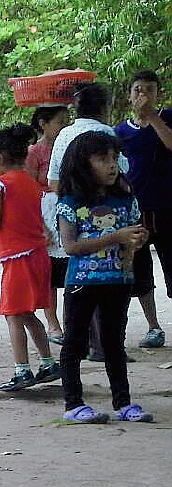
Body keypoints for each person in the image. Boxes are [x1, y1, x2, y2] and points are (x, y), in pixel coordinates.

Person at [48, 82, 162, 353]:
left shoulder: (65, 134)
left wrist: (74, 201)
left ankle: (87, 341)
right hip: (112, 220)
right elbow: (122, 176)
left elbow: (53, 181)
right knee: (127, 277)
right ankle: (135, 331)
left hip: (74, 219)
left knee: (80, 286)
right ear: (104, 107)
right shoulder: (106, 133)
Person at [55, 131, 154, 423]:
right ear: (83, 165)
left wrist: (137, 238)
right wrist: (117, 236)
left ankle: (123, 403)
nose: (111, 165)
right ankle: (73, 403)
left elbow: (136, 233)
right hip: (83, 282)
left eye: (114, 158)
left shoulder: (124, 199)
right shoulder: (71, 203)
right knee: (75, 343)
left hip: (119, 280)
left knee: (114, 344)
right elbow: (71, 246)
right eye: (102, 159)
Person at [0, 124, 59, 392]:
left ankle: (22, 369)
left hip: (17, 258)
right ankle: (49, 362)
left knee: (13, 315)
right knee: (28, 314)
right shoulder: (30, 182)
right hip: (37, 254)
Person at [116, 70, 172, 349]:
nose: (143, 95)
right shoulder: (121, 131)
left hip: (168, 207)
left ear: (158, 94)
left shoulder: (168, 117)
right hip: (136, 209)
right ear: (130, 95)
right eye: (138, 90)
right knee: (140, 271)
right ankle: (153, 326)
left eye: (149, 90)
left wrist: (153, 116)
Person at [26, 105, 71, 344]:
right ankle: (53, 324)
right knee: (50, 273)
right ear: (43, 123)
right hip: (45, 211)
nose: (64, 126)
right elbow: (30, 188)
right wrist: (40, 225)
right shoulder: (35, 152)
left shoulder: (69, 146)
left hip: (68, 207)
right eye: (59, 121)